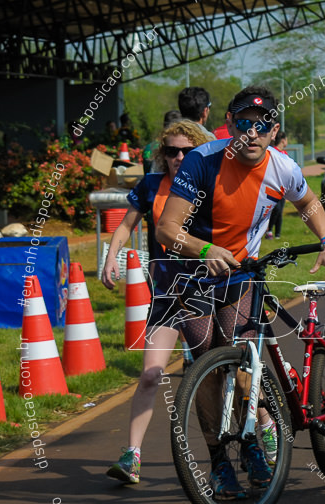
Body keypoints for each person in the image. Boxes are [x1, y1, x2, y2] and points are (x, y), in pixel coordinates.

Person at [156, 85, 325, 498]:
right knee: (206, 362)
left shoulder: (282, 167)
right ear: (229, 124)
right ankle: (219, 462)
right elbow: (166, 229)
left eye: (262, 126)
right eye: (244, 123)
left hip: (240, 274)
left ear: (273, 129)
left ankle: (250, 443)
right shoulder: (200, 161)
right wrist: (204, 249)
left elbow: (309, 203)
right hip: (188, 272)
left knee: (242, 361)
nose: (252, 133)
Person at [100, 120, 212, 483]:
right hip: (167, 297)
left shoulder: (209, 185)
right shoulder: (150, 185)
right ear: (162, 155)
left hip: (207, 294)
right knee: (150, 375)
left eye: (186, 151)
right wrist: (111, 256)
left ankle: (264, 427)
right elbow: (124, 226)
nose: (178, 157)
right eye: (171, 151)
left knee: (226, 375)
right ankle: (131, 456)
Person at [265, 129, 288, 239]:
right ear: (283, 140)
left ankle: (278, 234)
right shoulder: (273, 152)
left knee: (280, 210)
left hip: (283, 187)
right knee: (276, 209)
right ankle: (269, 231)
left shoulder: (285, 153)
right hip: (273, 187)